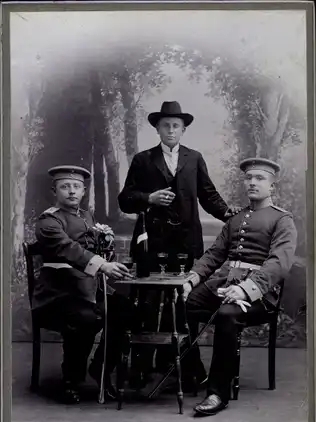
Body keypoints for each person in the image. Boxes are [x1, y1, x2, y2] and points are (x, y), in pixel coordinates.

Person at [118, 101, 239, 387]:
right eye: (165, 125)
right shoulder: (143, 159)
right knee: (147, 301)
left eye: (176, 126)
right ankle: (142, 366)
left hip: (186, 242)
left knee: (185, 301)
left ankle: (187, 366)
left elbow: (208, 195)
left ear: (183, 130)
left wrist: (227, 214)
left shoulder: (194, 158)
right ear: (157, 129)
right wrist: (149, 198)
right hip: (152, 242)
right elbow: (125, 199)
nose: (171, 130)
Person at [181, 157, 297, 416]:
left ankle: (217, 393)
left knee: (227, 315)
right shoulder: (236, 219)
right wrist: (192, 279)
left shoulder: (282, 220)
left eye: (260, 178)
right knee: (184, 303)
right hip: (225, 286)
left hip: (260, 296)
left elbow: (279, 264)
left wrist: (245, 289)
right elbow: (214, 255)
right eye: (249, 178)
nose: (252, 182)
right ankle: (192, 372)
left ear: (272, 187)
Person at [32, 165, 133, 404]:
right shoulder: (48, 222)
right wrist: (102, 265)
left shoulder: (87, 217)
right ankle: (71, 380)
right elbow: (70, 249)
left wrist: (108, 254)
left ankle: (100, 367)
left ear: (84, 190)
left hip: (86, 290)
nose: (71, 192)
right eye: (65, 187)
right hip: (56, 295)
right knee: (86, 318)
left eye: (76, 187)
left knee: (126, 310)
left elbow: (94, 248)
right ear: (54, 190)